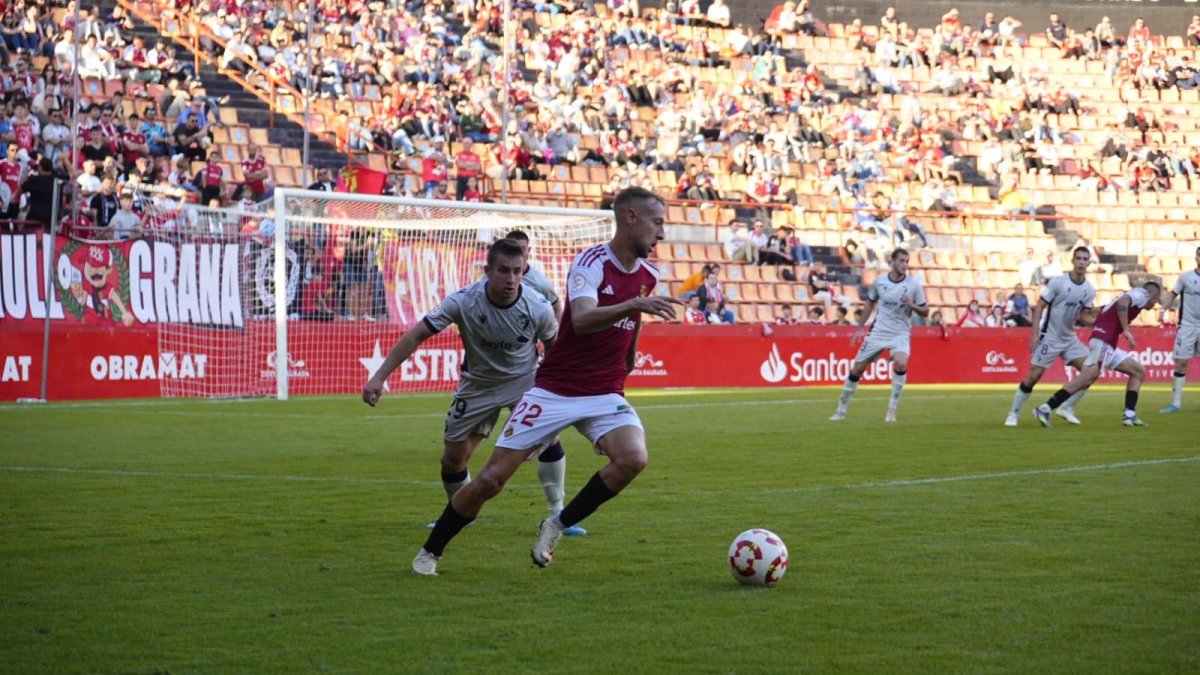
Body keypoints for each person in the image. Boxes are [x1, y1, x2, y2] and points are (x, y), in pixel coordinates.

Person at [410, 187, 681, 575]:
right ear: (630, 218)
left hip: (604, 391)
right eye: (657, 223)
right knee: (491, 480)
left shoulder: (648, 274)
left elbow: (633, 318)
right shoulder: (590, 262)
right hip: (555, 389)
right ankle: (430, 552)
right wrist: (635, 305)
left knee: (633, 458)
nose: (662, 233)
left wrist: (630, 354)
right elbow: (583, 318)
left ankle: (556, 523)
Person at [362, 239, 580, 551]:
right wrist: (379, 378)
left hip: (524, 382)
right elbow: (417, 334)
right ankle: (462, 512)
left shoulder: (538, 307)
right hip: (477, 385)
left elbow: (556, 350)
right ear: (487, 270)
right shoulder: (464, 301)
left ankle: (557, 513)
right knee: (452, 460)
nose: (511, 279)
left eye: (517, 271)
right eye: (503, 271)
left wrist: (551, 397)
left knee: (549, 439)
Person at [1033, 281, 1162, 428]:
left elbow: (1095, 313)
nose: (1155, 304)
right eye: (1156, 300)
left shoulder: (1129, 297)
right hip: (1104, 342)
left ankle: (1130, 415)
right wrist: (1125, 330)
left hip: (1105, 343)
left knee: (1138, 371)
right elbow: (1123, 302)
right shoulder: (1142, 294)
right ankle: (1046, 408)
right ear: (1153, 295)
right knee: (1085, 378)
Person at [831, 248, 928, 423]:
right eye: (901, 261)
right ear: (892, 261)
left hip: (900, 333)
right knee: (857, 369)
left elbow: (925, 312)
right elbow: (869, 304)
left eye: (907, 261)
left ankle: (892, 411)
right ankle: (840, 410)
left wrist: (912, 305)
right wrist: (860, 328)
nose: (904, 265)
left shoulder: (913, 286)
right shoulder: (880, 282)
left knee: (900, 362)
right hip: (878, 332)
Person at [1005, 248, 1096, 427]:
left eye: (1085, 259)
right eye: (1078, 258)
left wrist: (1099, 319)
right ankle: (1013, 414)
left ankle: (1066, 407)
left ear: (1089, 263)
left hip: (1070, 338)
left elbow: (1083, 316)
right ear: (1073, 260)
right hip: (1050, 337)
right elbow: (1039, 306)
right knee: (1034, 376)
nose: (1081, 262)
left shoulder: (1089, 289)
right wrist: (1035, 334)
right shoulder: (1058, 282)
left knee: (1091, 372)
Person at [1158, 245, 1200, 413]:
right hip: (1187, 326)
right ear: (1196, 257)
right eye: (1199, 255)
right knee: (1181, 363)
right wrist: (1163, 310)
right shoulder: (1186, 277)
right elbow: (1173, 294)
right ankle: (1175, 404)